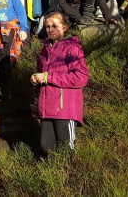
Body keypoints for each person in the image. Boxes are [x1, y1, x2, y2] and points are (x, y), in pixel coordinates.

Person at [32, 12, 89, 153]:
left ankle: (68, 175)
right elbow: (43, 73)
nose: (50, 30)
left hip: (65, 109)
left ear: (64, 27)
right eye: (47, 26)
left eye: (54, 26)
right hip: (46, 108)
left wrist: (48, 77)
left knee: (66, 149)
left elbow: (81, 78)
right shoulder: (44, 49)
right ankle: (52, 175)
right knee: (46, 148)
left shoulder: (72, 48)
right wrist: (36, 77)